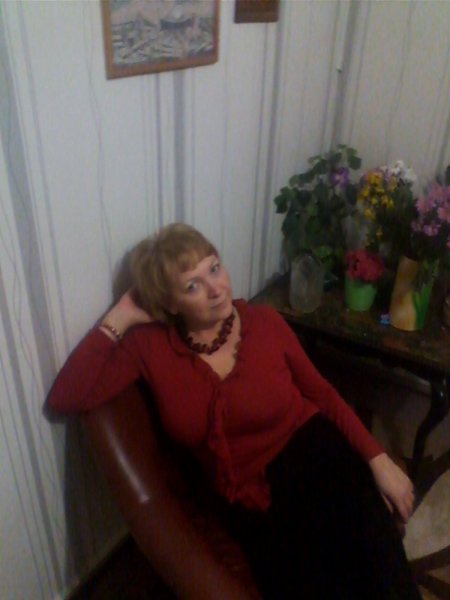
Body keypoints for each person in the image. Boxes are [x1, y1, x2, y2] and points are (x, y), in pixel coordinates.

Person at [48, 223, 421, 599]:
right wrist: (122, 315)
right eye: (192, 286)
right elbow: (66, 397)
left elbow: (322, 394)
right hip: (247, 499)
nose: (216, 289)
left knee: (379, 569)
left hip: (317, 455)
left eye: (214, 268)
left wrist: (379, 460)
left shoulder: (265, 323)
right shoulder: (149, 348)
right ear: (170, 304)